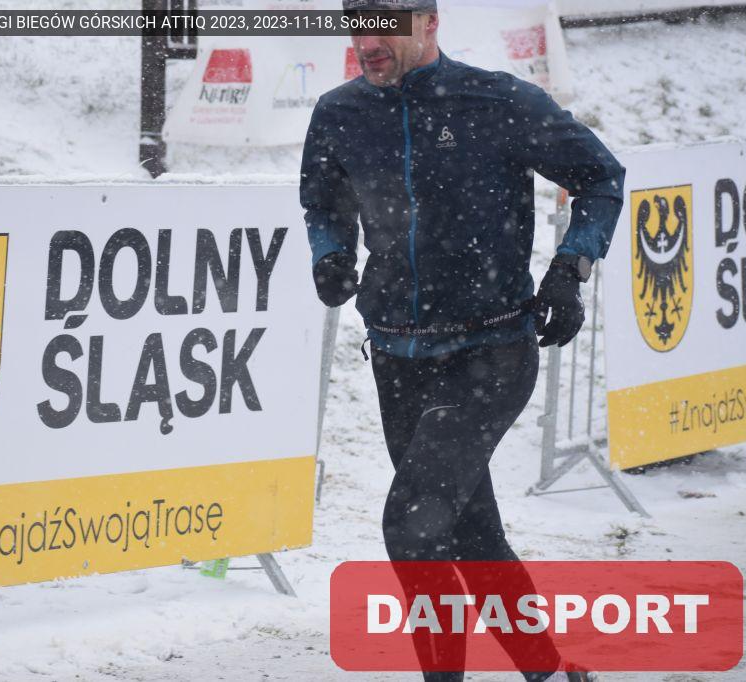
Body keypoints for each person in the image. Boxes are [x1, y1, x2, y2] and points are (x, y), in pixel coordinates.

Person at [300, 1, 623, 681]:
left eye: (386, 23)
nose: (368, 41)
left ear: (429, 21)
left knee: (411, 526)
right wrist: (331, 253)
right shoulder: (339, 112)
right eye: (358, 24)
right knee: (472, 535)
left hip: (490, 352)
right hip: (397, 356)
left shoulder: (497, 101)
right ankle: (551, 673)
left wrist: (571, 267)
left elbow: (600, 177)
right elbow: (323, 202)